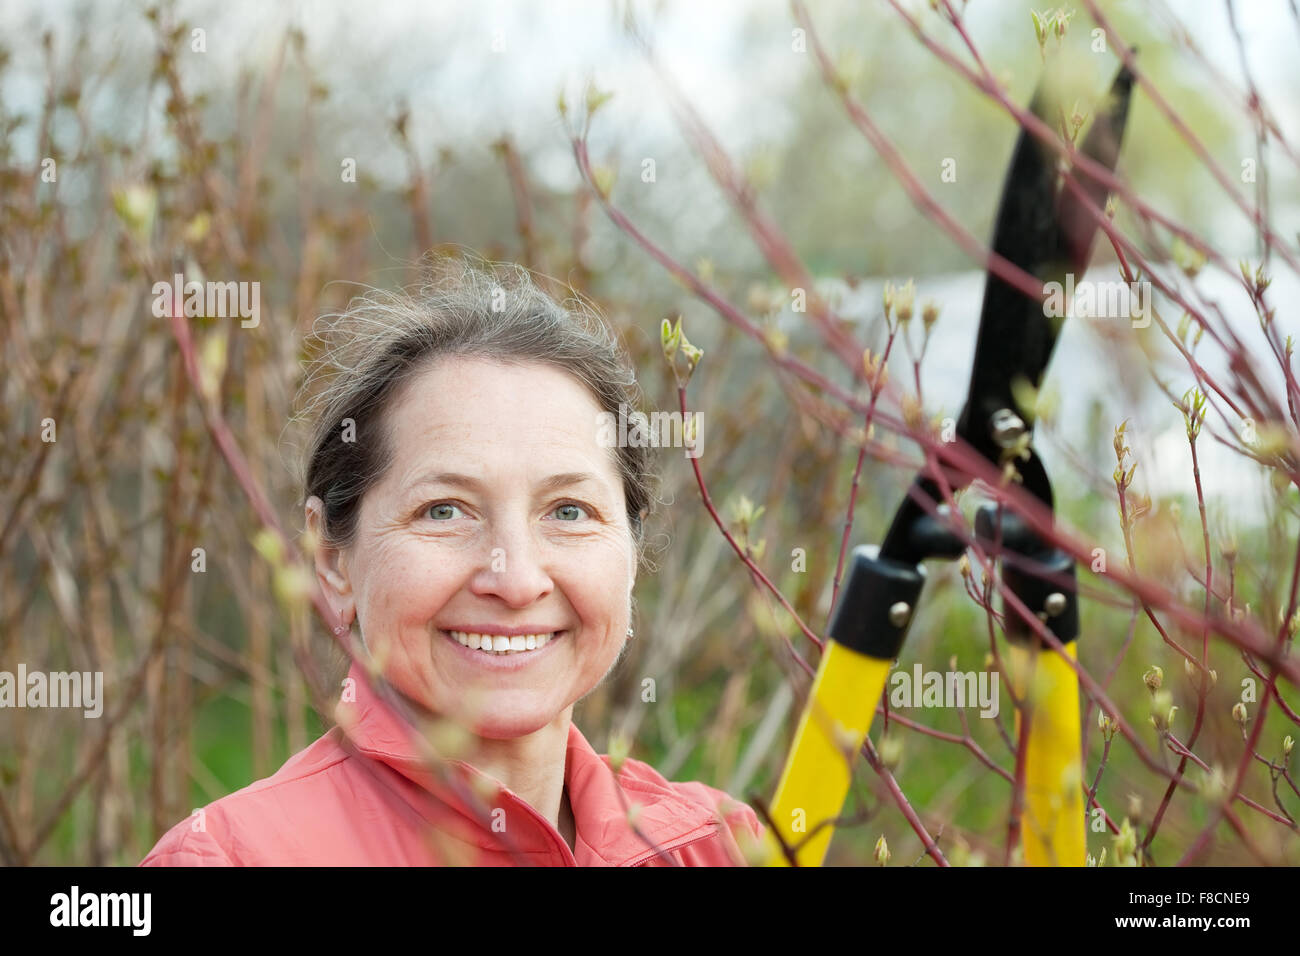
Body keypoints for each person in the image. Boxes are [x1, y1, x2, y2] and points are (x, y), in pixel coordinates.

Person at [141, 257, 765, 865]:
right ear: (331, 559)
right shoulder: (226, 858)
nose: (516, 580)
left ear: (631, 553)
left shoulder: (719, 847)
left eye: (569, 511)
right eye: (445, 511)